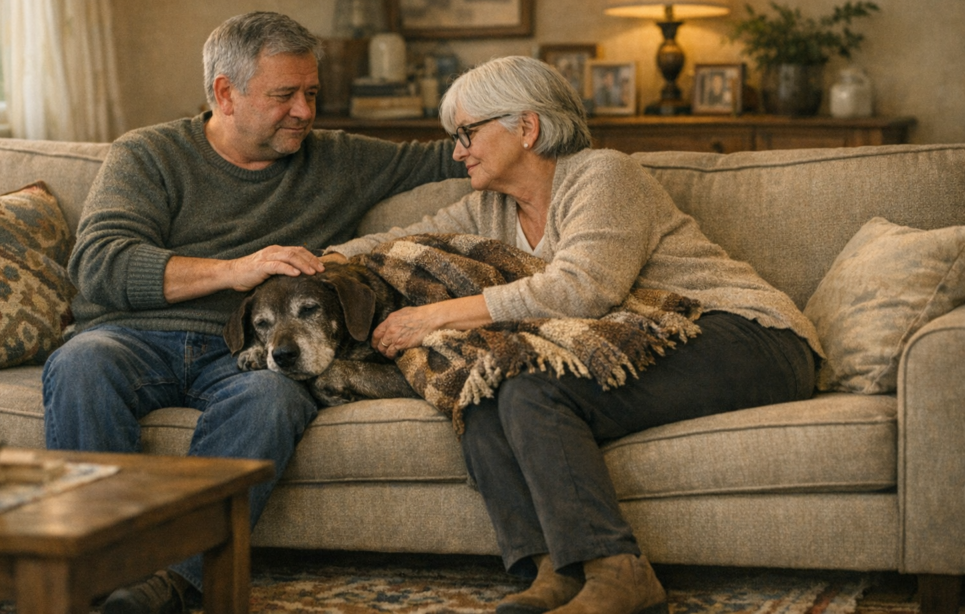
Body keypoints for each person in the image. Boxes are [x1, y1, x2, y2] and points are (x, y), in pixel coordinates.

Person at [326, 55, 822, 614]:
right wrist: (318, 261)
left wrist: (436, 316)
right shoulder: (489, 208)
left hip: (743, 336)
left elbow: (583, 290)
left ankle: (621, 575)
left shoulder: (604, 174)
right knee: (481, 388)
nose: (457, 150)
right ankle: (553, 570)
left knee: (535, 387)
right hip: (649, 340)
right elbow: (398, 240)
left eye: (466, 133)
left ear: (527, 127)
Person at [41, 11, 466, 614]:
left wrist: (534, 130)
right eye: (284, 95)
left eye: (311, 93)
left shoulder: (338, 159)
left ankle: (167, 586)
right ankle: (98, 578)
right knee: (80, 364)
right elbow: (100, 264)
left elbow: (447, 160)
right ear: (225, 93)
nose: (304, 111)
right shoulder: (149, 154)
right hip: (133, 340)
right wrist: (234, 269)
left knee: (275, 397)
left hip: (242, 358)